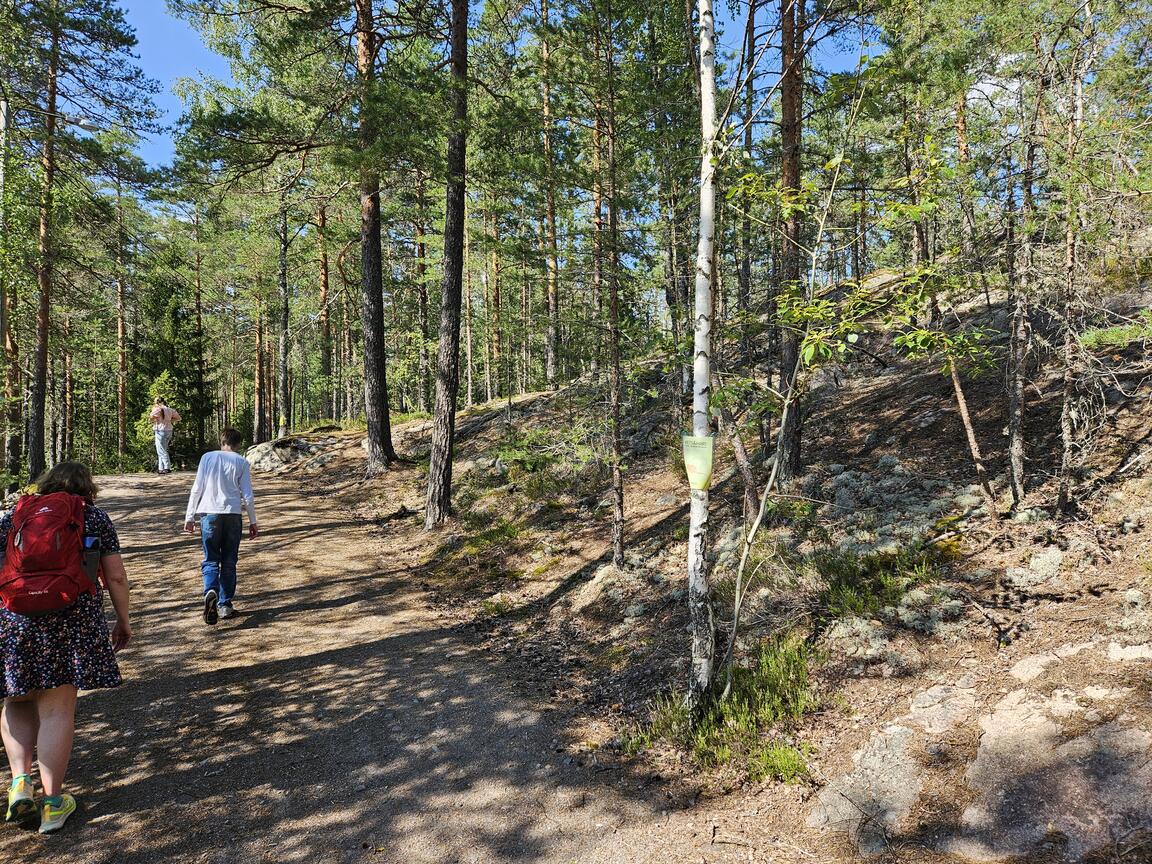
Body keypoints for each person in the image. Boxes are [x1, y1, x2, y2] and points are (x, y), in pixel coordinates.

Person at [0, 462, 131, 834]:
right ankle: (54, 804)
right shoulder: (94, 518)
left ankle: (20, 786)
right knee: (57, 710)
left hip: (16, 620)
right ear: (86, 487)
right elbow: (116, 576)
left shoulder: (13, 517)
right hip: (69, 619)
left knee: (16, 700)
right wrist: (123, 621)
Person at [184, 428, 259, 624]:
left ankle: (210, 590)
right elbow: (248, 496)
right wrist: (253, 521)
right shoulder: (241, 462)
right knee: (229, 561)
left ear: (222, 441)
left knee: (210, 559)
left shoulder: (207, 458)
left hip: (209, 514)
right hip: (233, 515)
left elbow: (197, 488)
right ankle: (225, 605)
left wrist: (189, 517)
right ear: (238, 444)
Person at [149, 396, 181, 475]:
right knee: (162, 449)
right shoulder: (170, 409)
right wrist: (169, 420)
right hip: (169, 430)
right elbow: (179, 418)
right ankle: (161, 468)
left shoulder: (158, 409)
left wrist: (154, 418)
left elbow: (151, 417)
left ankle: (167, 467)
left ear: (158, 402)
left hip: (160, 431)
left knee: (161, 450)